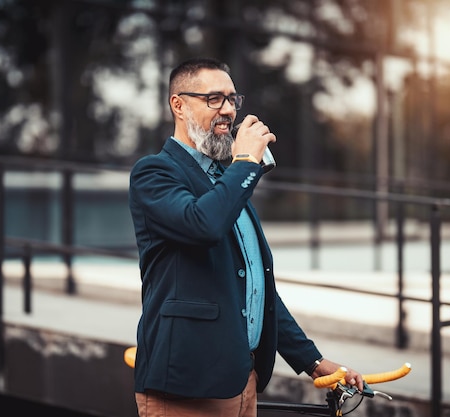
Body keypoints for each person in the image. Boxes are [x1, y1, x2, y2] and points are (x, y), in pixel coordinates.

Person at [128, 57, 364, 417]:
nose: (227, 110)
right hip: (185, 388)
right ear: (178, 104)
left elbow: (257, 289)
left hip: (241, 382)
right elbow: (202, 225)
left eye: (232, 100)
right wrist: (245, 164)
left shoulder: (227, 181)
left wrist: (312, 360)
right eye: (214, 99)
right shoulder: (155, 173)